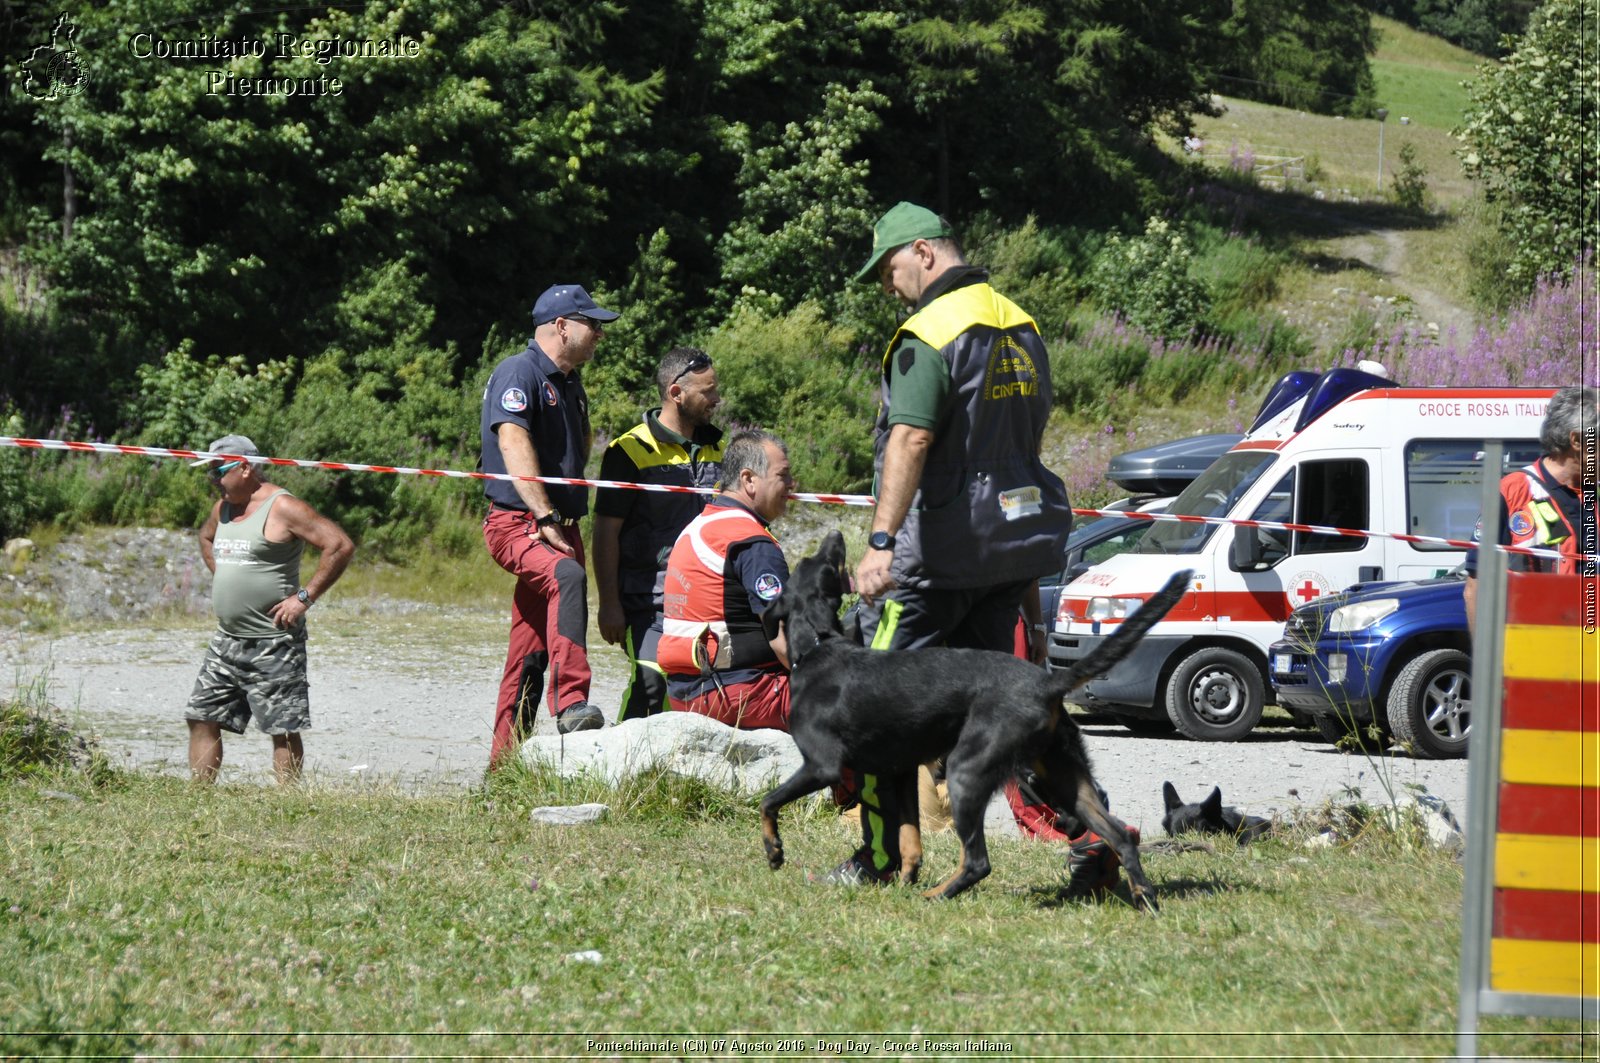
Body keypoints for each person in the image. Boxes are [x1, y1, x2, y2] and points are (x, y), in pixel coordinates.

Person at [827, 201, 1088, 887]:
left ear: (924, 252)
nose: (890, 286)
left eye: (890, 269)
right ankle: (1093, 837)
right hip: (1012, 550)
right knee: (1019, 714)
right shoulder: (1023, 324)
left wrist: (881, 540)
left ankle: (882, 859)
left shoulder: (928, 333)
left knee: (870, 703)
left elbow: (911, 438)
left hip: (937, 558)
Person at [480, 284, 617, 761]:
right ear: (561, 326)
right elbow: (513, 443)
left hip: (559, 523)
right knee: (568, 576)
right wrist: (544, 515)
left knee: (529, 654)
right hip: (520, 522)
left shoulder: (570, 382)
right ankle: (572, 701)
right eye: (592, 324)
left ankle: (503, 768)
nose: (600, 333)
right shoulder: (519, 371)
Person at [185, 435, 354, 783]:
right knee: (201, 716)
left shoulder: (283, 506)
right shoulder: (223, 509)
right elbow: (206, 537)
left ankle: (287, 801)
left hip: (274, 641)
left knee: (283, 727)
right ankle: (197, 795)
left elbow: (339, 545)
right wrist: (224, 575)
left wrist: (302, 599)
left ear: (245, 468)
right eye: (210, 473)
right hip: (227, 639)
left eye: (219, 471)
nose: (213, 480)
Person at [592, 348, 724, 722]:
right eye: (708, 391)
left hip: (702, 596)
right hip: (645, 599)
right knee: (652, 680)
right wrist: (609, 603)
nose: (716, 400)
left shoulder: (716, 446)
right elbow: (605, 533)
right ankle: (620, 764)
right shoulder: (628, 451)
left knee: (695, 685)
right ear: (676, 392)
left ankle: (669, 774)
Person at [656, 429, 794, 730]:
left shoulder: (700, 525)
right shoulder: (751, 541)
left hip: (687, 693)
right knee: (855, 702)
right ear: (749, 479)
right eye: (783, 476)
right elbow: (786, 642)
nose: (792, 485)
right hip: (742, 694)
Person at [1464, 385, 1598, 637]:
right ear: (1577, 441)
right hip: (1533, 652)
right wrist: (1489, 665)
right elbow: (1476, 587)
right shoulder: (1512, 491)